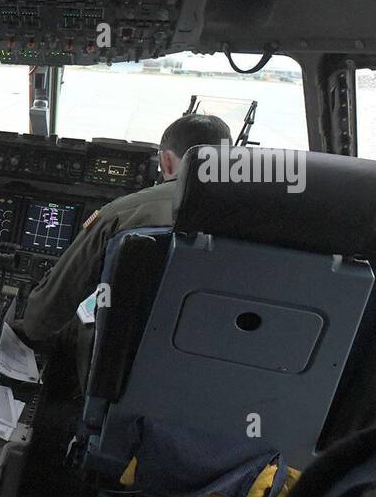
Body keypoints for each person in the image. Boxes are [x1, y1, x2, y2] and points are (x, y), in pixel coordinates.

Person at [16, 113, 232, 342]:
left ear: (166, 161)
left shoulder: (120, 215)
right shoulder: (254, 219)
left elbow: (40, 321)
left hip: (128, 356)